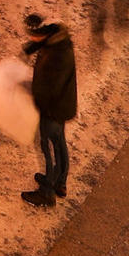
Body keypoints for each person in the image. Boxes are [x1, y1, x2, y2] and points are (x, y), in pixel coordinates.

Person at [21, 13, 77, 205]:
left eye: (33, 35)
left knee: (49, 147)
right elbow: (45, 43)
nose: (31, 38)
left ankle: (47, 193)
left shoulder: (58, 56)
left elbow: (49, 88)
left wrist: (30, 95)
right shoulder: (58, 42)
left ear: (44, 33)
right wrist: (33, 47)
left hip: (53, 108)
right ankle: (60, 182)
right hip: (61, 105)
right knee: (59, 142)